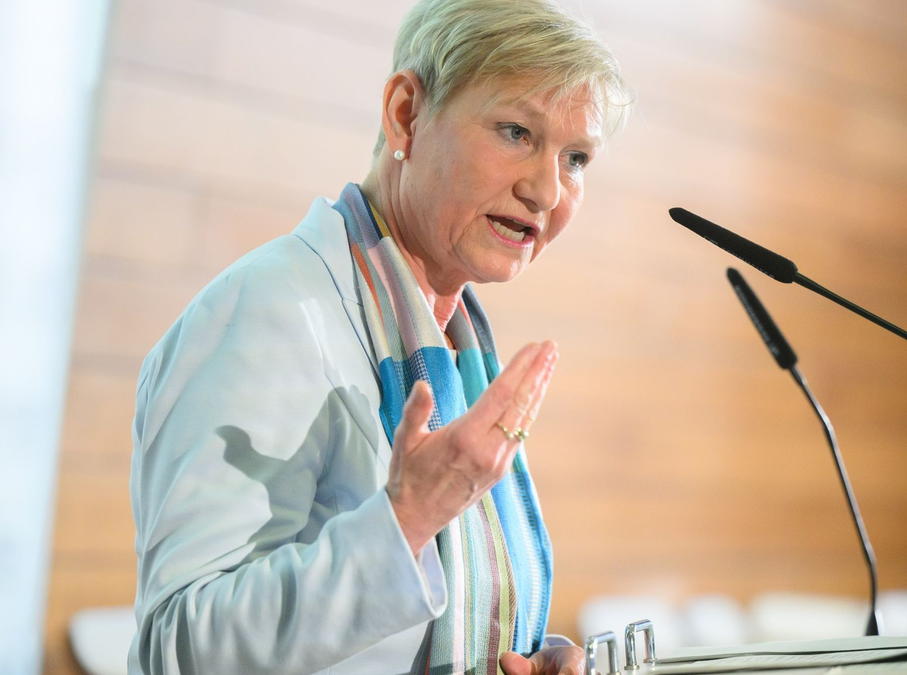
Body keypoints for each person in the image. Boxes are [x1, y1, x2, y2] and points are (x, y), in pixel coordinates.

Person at [126, 1, 631, 673]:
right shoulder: (271, 309)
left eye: (576, 157)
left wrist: (518, 652)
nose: (546, 188)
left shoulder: (453, 346)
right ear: (405, 114)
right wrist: (405, 521)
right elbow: (175, 650)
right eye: (515, 131)